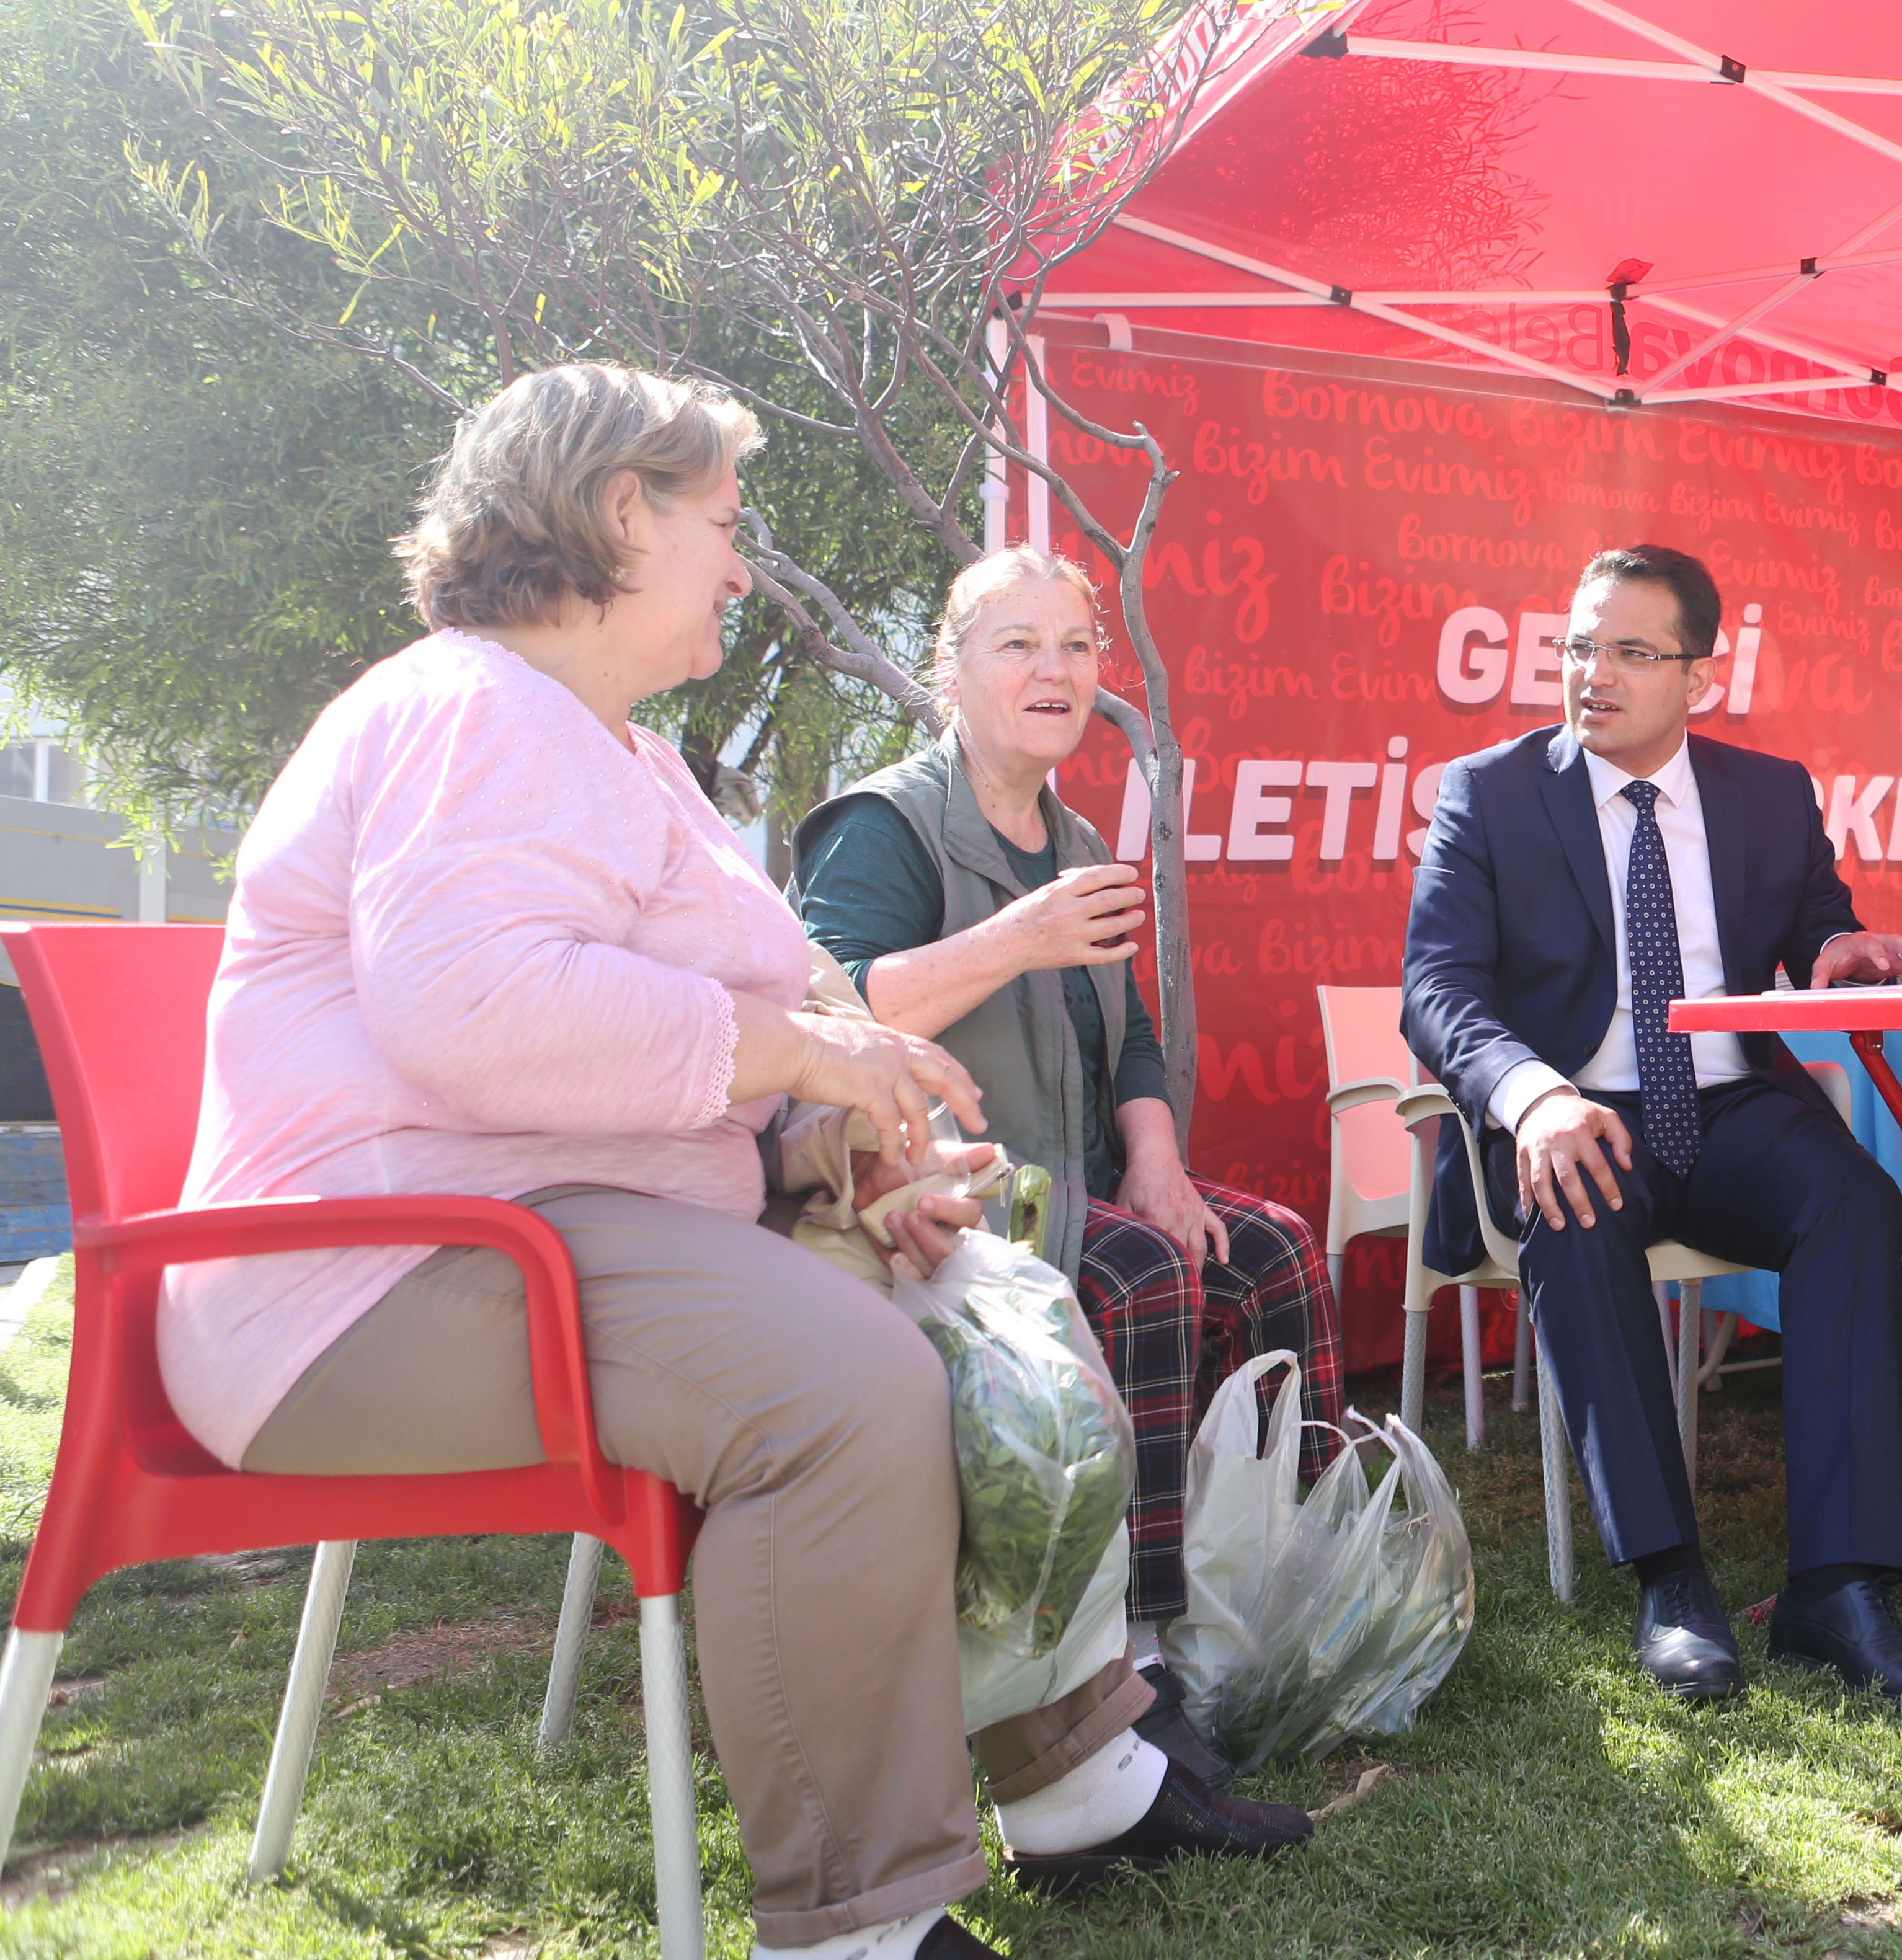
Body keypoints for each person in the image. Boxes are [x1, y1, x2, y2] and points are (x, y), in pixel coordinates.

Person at [167, 366, 1304, 1960]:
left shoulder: (614, 749)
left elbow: (754, 1018)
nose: (742, 558)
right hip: (381, 1272)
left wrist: (851, 1154)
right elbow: (480, 1007)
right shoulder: (474, 708)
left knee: (1003, 1320)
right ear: (621, 513)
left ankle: (1073, 1774)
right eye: (721, 518)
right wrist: (799, 1063)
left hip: (540, 1228)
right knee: (842, 1387)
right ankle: (853, 1924)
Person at [1402, 544, 1902, 1708]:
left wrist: (1837, 953)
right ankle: (1670, 1578)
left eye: (1629, 652)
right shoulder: (1491, 794)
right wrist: (1531, 1094)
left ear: (1698, 677)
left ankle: (1838, 1584)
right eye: (1577, 647)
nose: (1592, 674)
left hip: (1729, 1106)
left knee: (1856, 1202)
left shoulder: (1767, 793)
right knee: (1574, 1211)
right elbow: (1437, 988)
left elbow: (1818, 923)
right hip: (1577, 1112)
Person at [793, 545, 1348, 1667]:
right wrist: (1020, 937)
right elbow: (837, 1005)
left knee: (1276, 1252)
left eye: (1075, 646)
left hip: (1088, 1181)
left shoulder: (1080, 837)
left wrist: (1157, 1158)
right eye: (1017, 645)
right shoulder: (881, 825)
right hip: (948, 1198)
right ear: (950, 674)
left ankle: (1295, 1586)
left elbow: (1131, 1037)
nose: (1054, 670)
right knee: (1141, 1273)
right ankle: (1133, 1656)